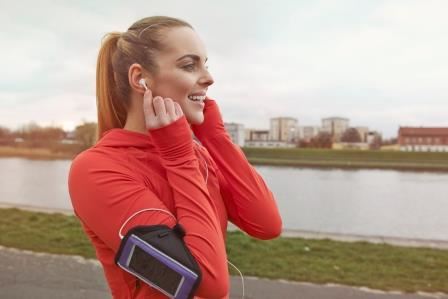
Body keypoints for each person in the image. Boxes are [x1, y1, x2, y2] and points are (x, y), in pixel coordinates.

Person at [68, 16, 282, 299]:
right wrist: (179, 158)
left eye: (206, 64)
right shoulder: (96, 170)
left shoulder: (194, 154)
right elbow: (207, 283)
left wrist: (215, 138)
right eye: (189, 65)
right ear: (140, 79)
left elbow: (266, 224)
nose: (208, 78)